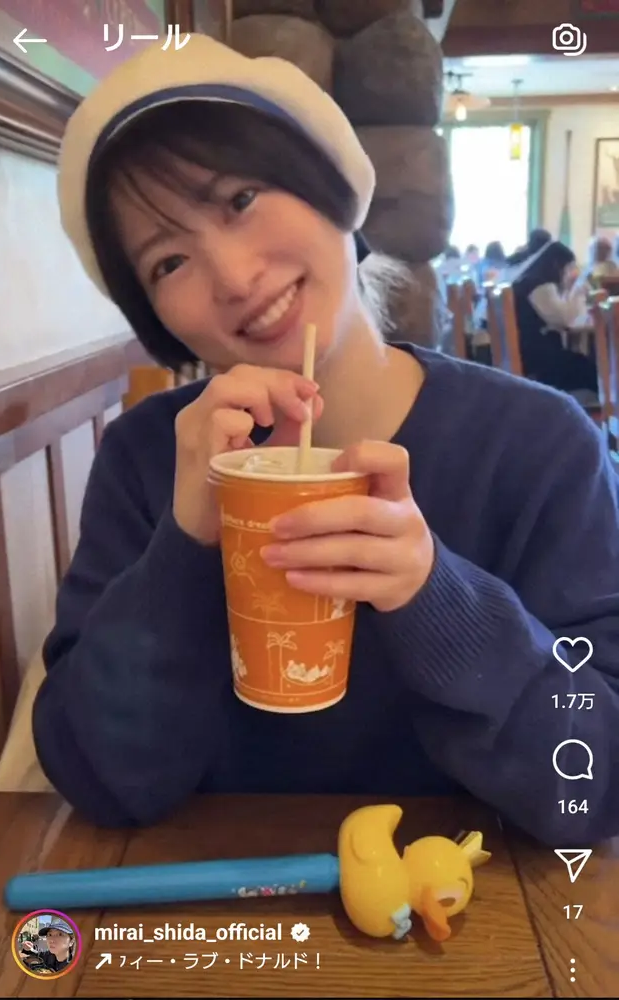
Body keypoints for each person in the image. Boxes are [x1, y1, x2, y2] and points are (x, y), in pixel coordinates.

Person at [33, 36, 619, 847]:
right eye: (168, 262)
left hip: (471, 904)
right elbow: (96, 777)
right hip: (218, 900)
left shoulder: (539, 447)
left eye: (241, 198)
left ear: (334, 184)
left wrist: (433, 596)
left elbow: (594, 783)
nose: (234, 276)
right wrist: (186, 544)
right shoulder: (147, 458)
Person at [512, 240, 598, 393]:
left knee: (586, 365)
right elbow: (566, 320)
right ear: (557, 265)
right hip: (539, 360)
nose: (568, 273)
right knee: (593, 371)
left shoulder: (529, 283)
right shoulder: (540, 287)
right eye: (568, 267)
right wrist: (577, 291)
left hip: (529, 354)